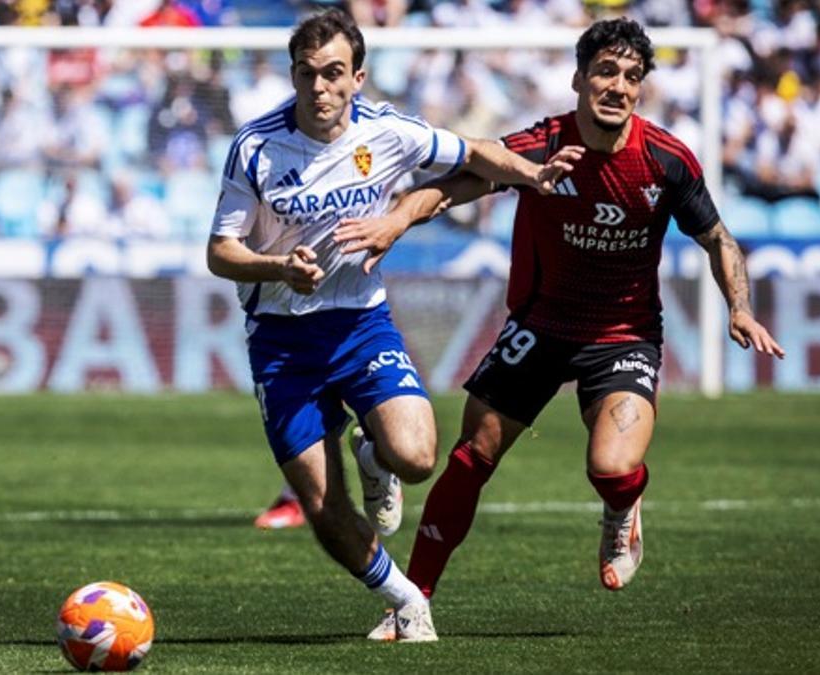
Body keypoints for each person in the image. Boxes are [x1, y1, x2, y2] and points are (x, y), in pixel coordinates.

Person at [333, 17, 787, 639]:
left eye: (632, 77)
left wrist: (739, 306)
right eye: (605, 71)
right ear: (578, 79)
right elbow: (456, 184)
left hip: (623, 334)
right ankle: (411, 604)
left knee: (609, 468)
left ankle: (623, 507)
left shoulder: (665, 160)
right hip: (540, 326)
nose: (618, 86)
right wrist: (397, 220)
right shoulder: (542, 145)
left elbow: (718, 238)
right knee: (471, 458)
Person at [207, 9, 558, 642]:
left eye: (334, 74)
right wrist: (277, 267)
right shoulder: (255, 147)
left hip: (360, 324)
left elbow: (475, 155)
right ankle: (404, 598)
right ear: (293, 75)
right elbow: (219, 251)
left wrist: (532, 176)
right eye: (307, 74)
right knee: (319, 502)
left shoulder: (390, 132)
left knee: (417, 456)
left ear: (358, 78)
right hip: (282, 342)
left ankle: (374, 455)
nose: (319, 88)